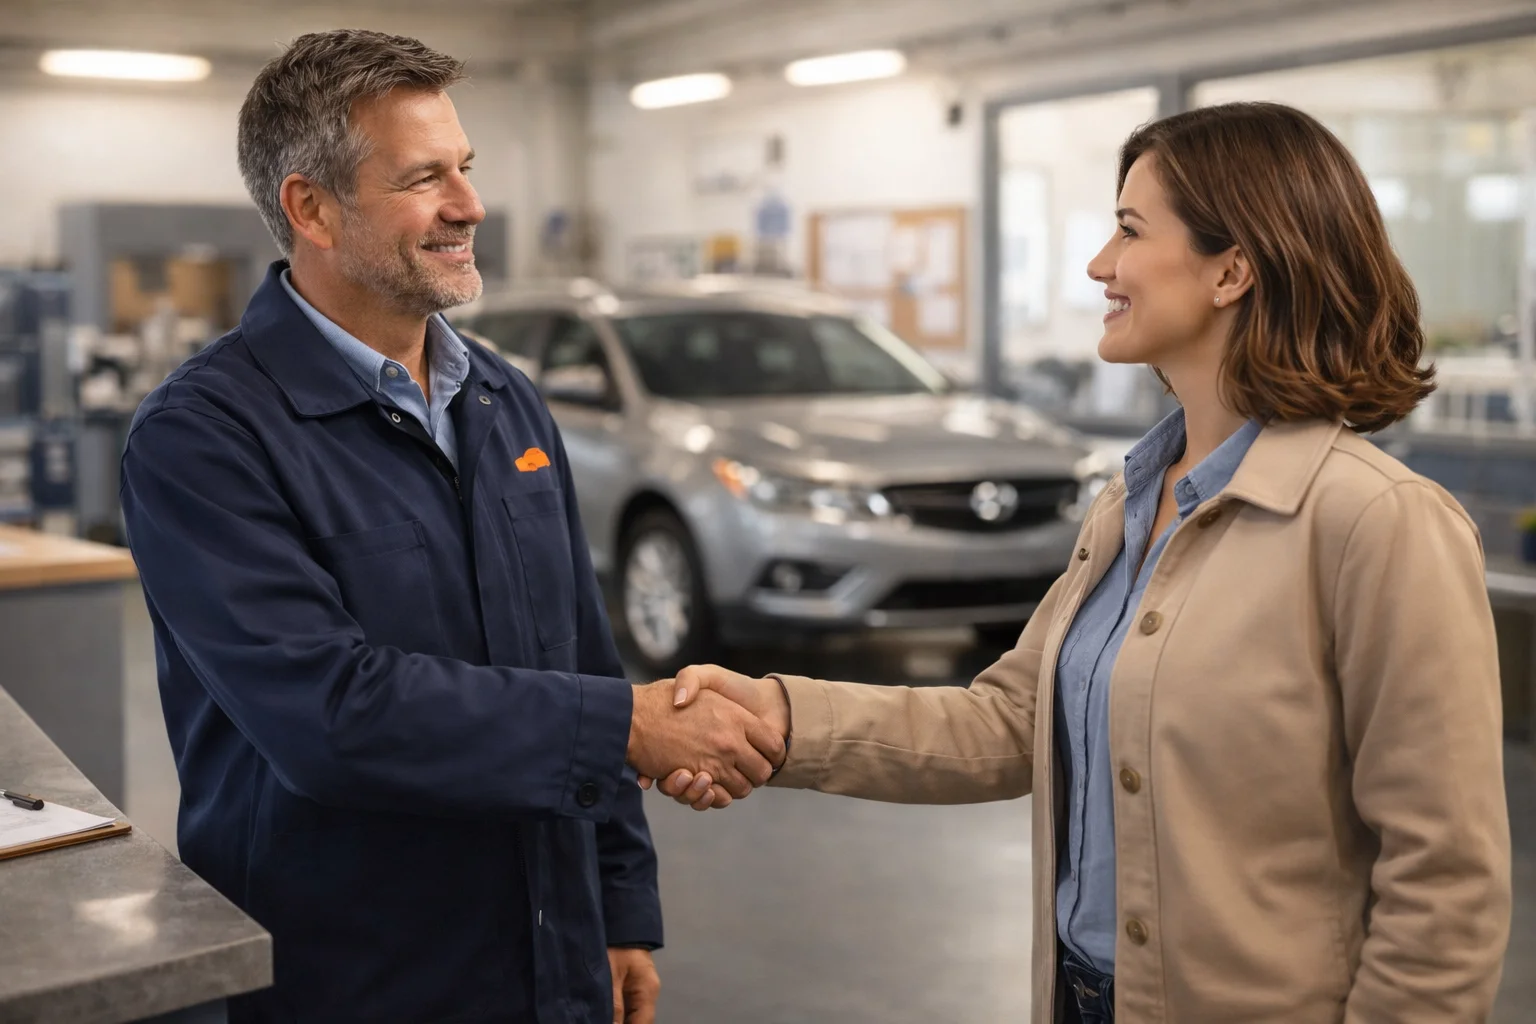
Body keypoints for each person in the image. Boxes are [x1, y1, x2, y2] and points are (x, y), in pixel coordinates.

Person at [653, 102, 1512, 1022]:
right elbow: (1013, 723)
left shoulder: (1379, 525)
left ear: (1233, 269)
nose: (1101, 263)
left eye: (1130, 231)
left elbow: (1446, 887)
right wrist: (781, 717)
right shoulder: (1133, 498)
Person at [121, 30, 782, 1024]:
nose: (470, 205)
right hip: (349, 976)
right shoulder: (204, 440)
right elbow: (331, 716)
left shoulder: (505, 402)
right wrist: (631, 728)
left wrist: (618, 903)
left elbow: (584, 657)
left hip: (549, 953)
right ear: (311, 208)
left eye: (464, 169)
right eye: (424, 178)